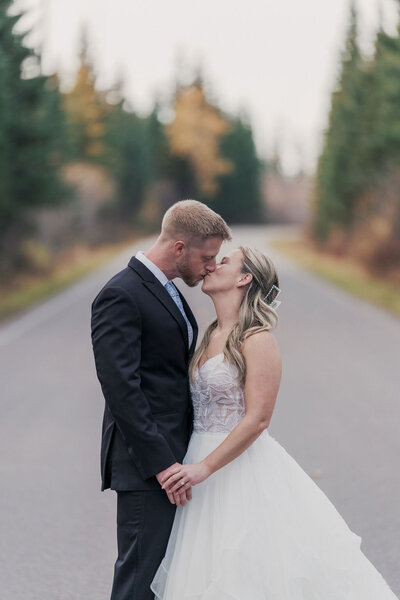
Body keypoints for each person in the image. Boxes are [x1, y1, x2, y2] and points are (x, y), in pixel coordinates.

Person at [151, 246, 399, 599]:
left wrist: (204, 468)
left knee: (245, 572)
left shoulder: (257, 339)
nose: (211, 266)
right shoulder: (206, 334)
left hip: (234, 468)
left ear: (244, 278)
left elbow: (258, 419)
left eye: (223, 262)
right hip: (196, 461)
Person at [90, 199, 232, 600]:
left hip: (176, 460)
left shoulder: (166, 290)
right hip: (147, 467)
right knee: (139, 582)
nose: (211, 266)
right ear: (179, 248)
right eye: (207, 257)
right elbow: (121, 388)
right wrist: (162, 465)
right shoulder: (121, 294)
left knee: (164, 582)